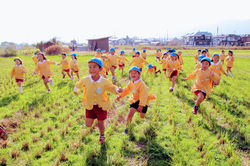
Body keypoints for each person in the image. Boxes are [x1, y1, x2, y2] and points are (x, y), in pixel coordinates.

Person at [74, 58, 123, 144]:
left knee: (101, 123)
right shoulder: (86, 79)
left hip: (101, 106)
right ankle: (95, 118)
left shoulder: (104, 81)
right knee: (88, 124)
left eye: (94, 67)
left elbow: (112, 87)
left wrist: (117, 89)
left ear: (100, 69)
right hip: (90, 105)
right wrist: (75, 89)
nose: (91, 69)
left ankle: (102, 135)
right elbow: (79, 84)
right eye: (90, 67)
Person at [116, 66, 155, 134]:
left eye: (135, 73)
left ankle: (138, 110)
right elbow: (126, 90)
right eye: (131, 73)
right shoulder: (131, 82)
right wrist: (120, 96)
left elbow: (144, 96)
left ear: (139, 74)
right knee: (130, 113)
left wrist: (141, 105)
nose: (133, 74)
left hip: (143, 101)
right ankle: (126, 129)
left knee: (142, 117)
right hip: (134, 100)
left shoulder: (142, 84)